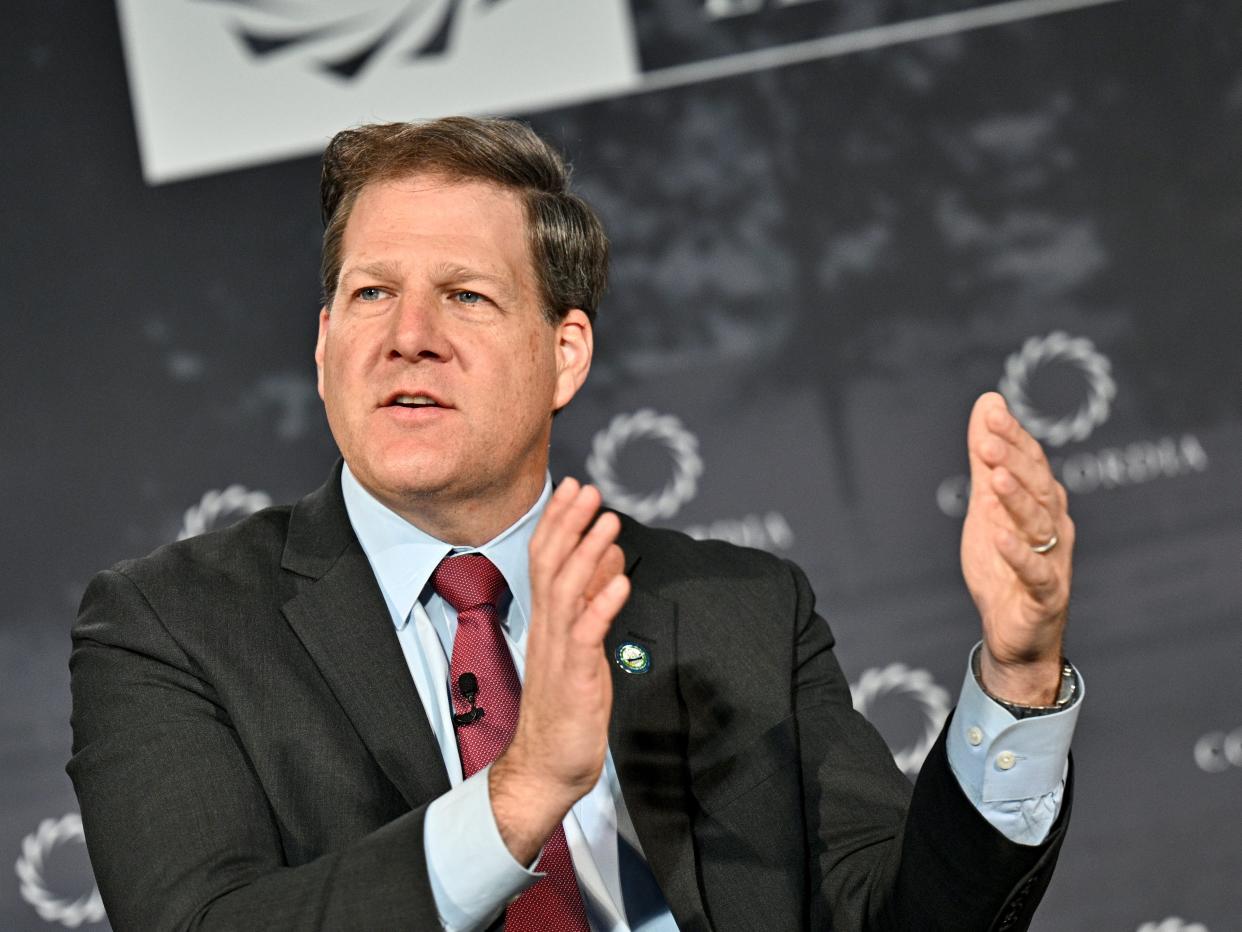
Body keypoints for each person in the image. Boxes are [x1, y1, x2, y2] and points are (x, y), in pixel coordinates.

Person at [69, 117, 1081, 931]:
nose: (407, 337)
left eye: (463, 295)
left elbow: (899, 915)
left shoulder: (737, 609)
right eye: (370, 292)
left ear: (566, 352)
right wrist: (521, 794)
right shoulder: (173, 626)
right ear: (327, 342)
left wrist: (1019, 678)